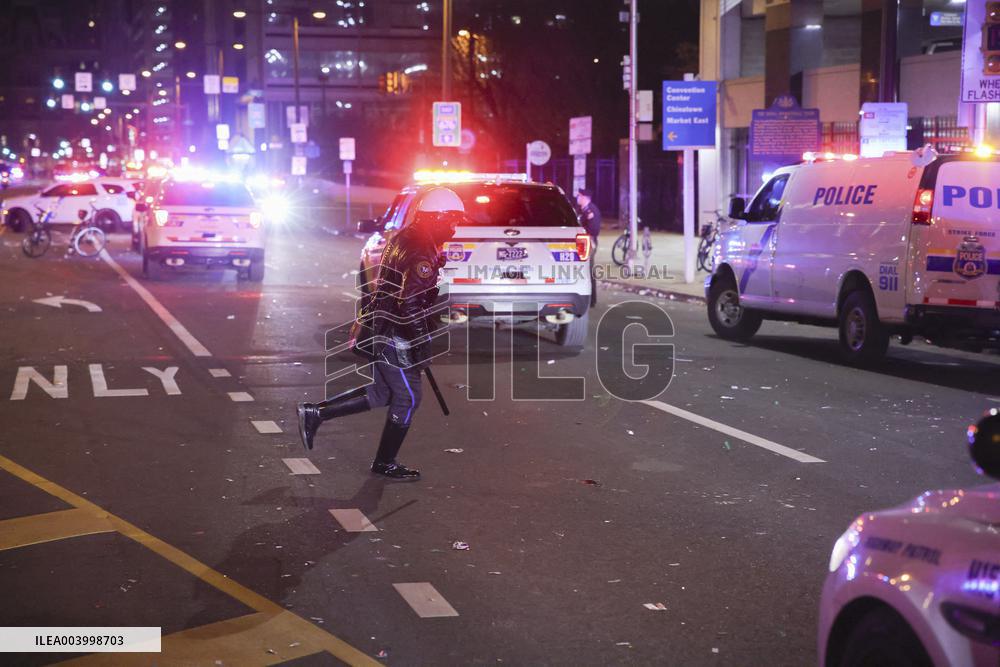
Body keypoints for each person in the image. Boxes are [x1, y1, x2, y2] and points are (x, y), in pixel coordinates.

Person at [296, 187, 464, 481]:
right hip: (394, 334)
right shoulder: (420, 247)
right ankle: (384, 462)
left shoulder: (408, 237)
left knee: (382, 392)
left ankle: (316, 414)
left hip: (382, 327)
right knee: (409, 397)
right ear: (436, 217)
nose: (455, 227)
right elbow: (408, 301)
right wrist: (420, 342)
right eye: (452, 220)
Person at [576, 188, 602, 307]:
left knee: (589, 271)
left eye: (579, 196)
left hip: (589, 243)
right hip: (582, 243)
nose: (577, 198)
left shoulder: (591, 210)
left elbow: (594, 229)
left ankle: (592, 300)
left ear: (584, 198)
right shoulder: (582, 210)